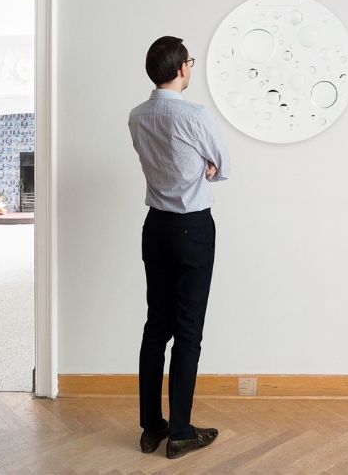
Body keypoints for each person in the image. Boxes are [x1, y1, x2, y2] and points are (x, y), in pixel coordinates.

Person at [128, 36, 229, 459]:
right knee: (188, 332)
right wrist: (207, 165)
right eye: (189, 61)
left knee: (156, 326)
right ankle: (182, 432)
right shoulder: (195, 115)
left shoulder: (137, 116)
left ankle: (152, 427)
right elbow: (222, 165)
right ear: (181, 68)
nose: (190, 66)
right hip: (192, 228)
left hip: (156, 227)